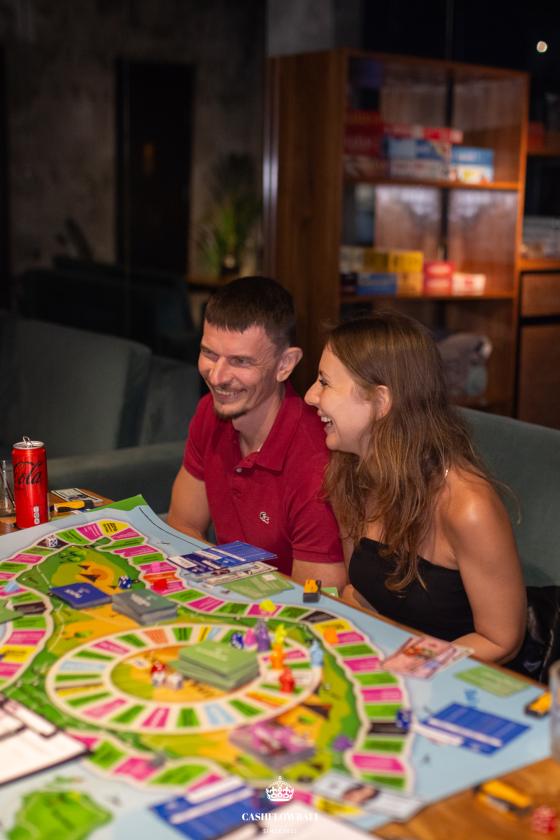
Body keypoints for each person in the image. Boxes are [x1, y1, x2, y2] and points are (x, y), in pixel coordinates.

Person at [304, 312, 526, 663]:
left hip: (463, 675)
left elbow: (501, 640)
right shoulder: (350, 473)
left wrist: (408, 662)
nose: (310, 396)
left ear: (380, 401)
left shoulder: (467, 506)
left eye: (324, 382)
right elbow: (359, 592)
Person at [167, 275, 346, 588]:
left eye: (240, 361)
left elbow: (318, 596)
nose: (217, 377)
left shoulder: (316, 462)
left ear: (285, 365)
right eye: (209, 354)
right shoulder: (210, 412)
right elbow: (183, 525)